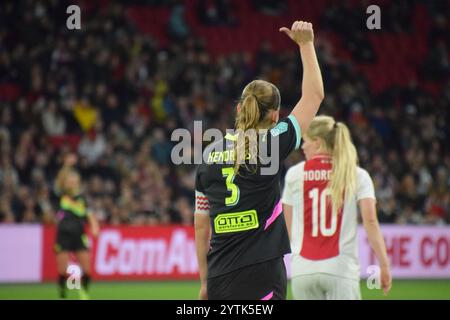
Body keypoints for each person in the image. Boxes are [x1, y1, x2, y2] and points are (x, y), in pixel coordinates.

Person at [194, 21, 324, 300]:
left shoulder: (207, 154)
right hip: (262, 271)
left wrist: (205, 282)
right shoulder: (271, 143)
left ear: (239, 108)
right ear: (275, 116)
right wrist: (306, 44)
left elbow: (201, 224)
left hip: (219, 274)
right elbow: (314, 96)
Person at [282, 115, 392, 300]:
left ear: (317, 142)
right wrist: (384, 265)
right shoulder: (356, 174)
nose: (302, 147)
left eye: (305, 141)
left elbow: (287, 226)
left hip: (303, 270)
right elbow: (371, 222)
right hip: (340, 268)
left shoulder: (294, 174)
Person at [54, 154, 99, 299]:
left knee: (87, 269)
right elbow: (60, 179)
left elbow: (89, 215)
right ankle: (63, 293)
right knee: (62, 270)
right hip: (63, 235)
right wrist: (66, 165)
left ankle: (84, 292)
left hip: (79, 235)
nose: (72, 183)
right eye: (70, 181)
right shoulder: (61, 195)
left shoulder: (82, 199)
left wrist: (94, 226)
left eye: (74, 181)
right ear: (66, 183)